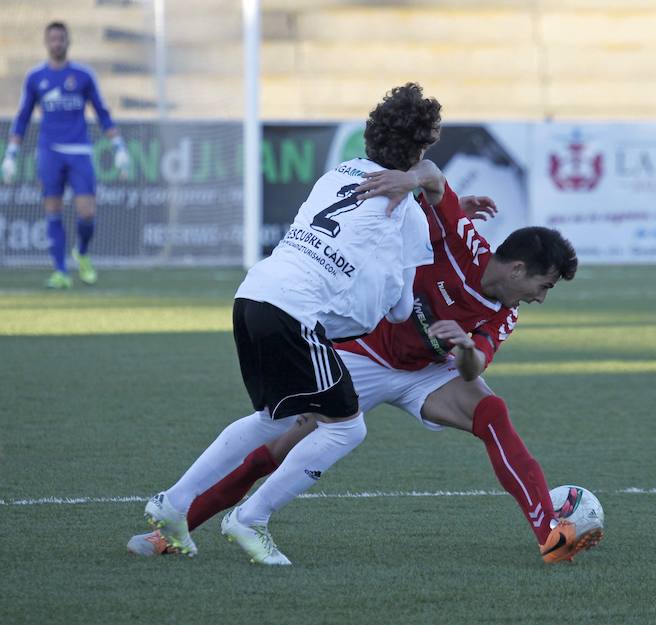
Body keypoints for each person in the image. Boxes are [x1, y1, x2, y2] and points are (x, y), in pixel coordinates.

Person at [129, 162, 601, 565]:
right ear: (518, 269)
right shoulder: (462, 240)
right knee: (276, 445)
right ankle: (172, 529)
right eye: (545, 285)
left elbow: (475, 368)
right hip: (366, 356)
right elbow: (434, 177)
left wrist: (465, 349)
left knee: (492, 413)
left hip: (429, 375)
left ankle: (549, 532)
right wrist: (408, 178)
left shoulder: (505, 311)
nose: (541, 297)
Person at [140, 83, 440, 565]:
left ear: (370, 134)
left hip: (253, 294)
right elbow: (402, 310)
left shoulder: (333, 175)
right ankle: (250, 518)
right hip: (292, 312)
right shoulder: (408, 213)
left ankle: (173, 504)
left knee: (272, 417)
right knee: (347, 429)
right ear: (422, 148)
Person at [1, 21, 130, 289]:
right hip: (49, 152)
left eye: (61, 38)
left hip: (79, 151)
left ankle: (81, 252)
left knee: (86, 212)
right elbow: (23, 117)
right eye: (52, 39)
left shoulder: (83, 76)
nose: (57, 43)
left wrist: (119, 148)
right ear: (46, 42)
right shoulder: (35, 77)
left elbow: (102, 113)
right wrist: (11, 153)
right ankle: (60, 271)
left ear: (68, 41)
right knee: (53, 210)